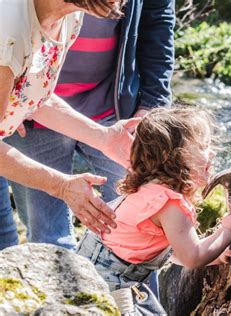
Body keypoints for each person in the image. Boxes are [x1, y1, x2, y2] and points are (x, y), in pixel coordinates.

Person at [1, 0, 175, 250]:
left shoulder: (70, 19)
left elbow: (37, 94)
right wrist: (61, 185)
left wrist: (105, 137)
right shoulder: (8, 30)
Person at [76, 107, 231, 296]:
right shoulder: (168, 204)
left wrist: (215, 253)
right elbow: (192, 257)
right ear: (169, 155)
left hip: (86, 276)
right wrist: (228, 231)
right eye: (203, 146)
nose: (211, 153)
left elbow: (174, 251)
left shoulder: (147, 189)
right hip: (107, 287)